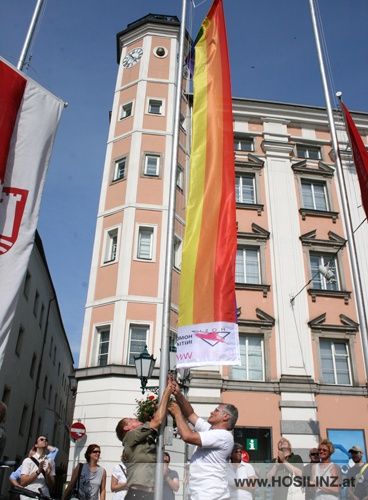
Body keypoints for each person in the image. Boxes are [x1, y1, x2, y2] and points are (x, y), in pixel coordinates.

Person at [169, 379, 238, 500]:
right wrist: (178, 394)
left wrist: (177, 414)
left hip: (212, 495)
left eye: (216, 410)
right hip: (202, 494)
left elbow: (187, 436)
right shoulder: (210, 430)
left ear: (226, 416)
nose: (212, 412)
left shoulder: (224, 436)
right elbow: (190, 414)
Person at [115, 380, 174, 499]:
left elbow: (158, 419)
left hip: (150, 494)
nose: (135, 419)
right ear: (127, 427)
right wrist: (167, 392)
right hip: (138, 495)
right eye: (131, 419)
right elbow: (157, 421)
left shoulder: (143, 437)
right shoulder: (130, 436)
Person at [19, 435, 55, 500]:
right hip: (28, 496)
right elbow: (23, 482)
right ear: (36, 445)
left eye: (46, 440)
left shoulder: (51, 461)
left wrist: (47, 475)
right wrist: (38, 472)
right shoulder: (28, 460)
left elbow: (52, 485)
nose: (44, 441)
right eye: (41, 439)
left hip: (44, 496)